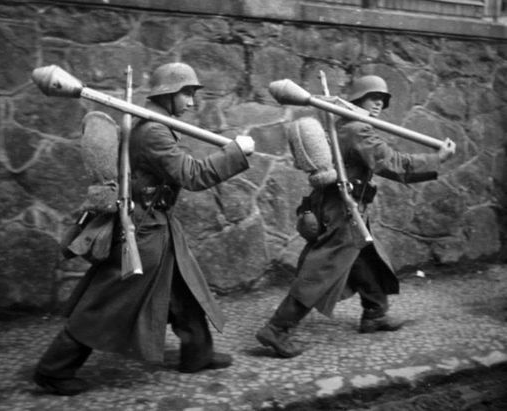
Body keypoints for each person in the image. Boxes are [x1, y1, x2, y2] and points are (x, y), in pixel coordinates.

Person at [33, 62, 255, 395]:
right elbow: (191, 175)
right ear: (167, 93)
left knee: (184, 288)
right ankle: (54, 369)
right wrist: (236, 152)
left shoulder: (156, 123)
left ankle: (197, 353)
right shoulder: (153, 130)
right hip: (144, 230)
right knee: (108, 302)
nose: (192, 102)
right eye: (187, 93)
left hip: (158, 223)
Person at [256, 74, 456, 358]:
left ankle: (374, 313)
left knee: (366, 258)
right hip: (342, 210)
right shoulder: (357, 130)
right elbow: (394, 164)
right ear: (357, 99)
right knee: (322, 270)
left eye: (382, 100)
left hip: (341, 205)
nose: (378, 104)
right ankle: (276, 329)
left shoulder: (343, 124)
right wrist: (439, 158)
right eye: (372, 97)